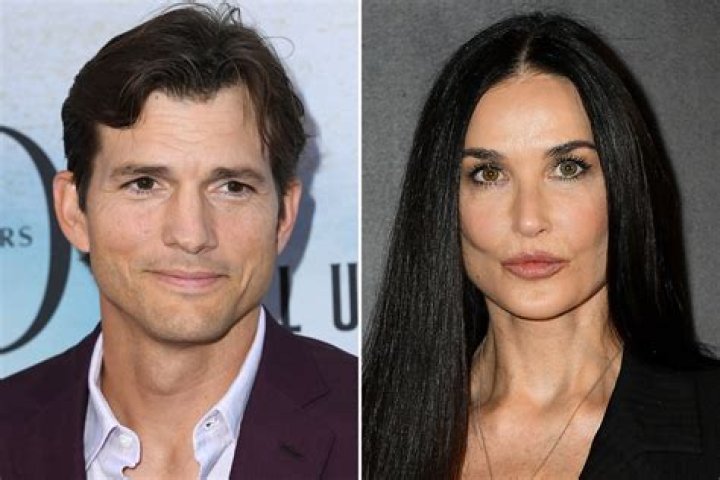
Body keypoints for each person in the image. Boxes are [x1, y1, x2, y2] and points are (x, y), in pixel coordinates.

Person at [0, 4, 356, 479]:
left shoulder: (369, 421)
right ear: (73, 210)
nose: (191, 235)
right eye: (145, 184)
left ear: (284, 216)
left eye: (232, 187)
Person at [363, 12, 720, 479]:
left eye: (568, 169)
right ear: (443, 202)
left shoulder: (708, 423)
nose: (529, 220)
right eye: (489, 174)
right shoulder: (365, 434)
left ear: (625, 185)